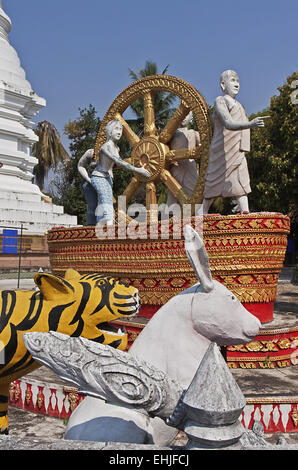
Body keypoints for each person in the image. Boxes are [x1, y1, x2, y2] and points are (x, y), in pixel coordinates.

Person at [199, 70, 267, 215]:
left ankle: (245, 212)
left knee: (241, 177)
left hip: (237, 149)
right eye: (232, 80)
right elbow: (228, 123)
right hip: (221, 150)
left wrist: (250, 124)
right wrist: (250, 124)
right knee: (213, 184)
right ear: (223, 85)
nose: (236, 84)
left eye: (238, 81)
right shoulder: (220, 101)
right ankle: (201, 212)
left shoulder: (240, 106)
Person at [78, 120, 150, 225]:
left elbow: (119, 162)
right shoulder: (107, 146)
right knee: (106, 203)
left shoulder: (117, 148)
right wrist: (138, 169)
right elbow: (119, 161)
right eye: (116, 129)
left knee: (106, 204)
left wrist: (138, 162)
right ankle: (107, 229)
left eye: (121, 129)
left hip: (108, 179)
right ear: (109, 131)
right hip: (99, 177)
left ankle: (101, 229)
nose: (119, 132)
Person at [166, 111, 200, 207]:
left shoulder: (193, 133)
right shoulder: (171, 134)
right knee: (174, 193)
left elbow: (204, 146)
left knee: (194, 192)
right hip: (177, 167)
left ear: (191, 118)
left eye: (187, 115)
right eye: (182, 115)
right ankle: (170, 216)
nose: (184, 118)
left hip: (190, 167)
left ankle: (194, 213)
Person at [77, 149, 97, 225]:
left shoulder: (113, 149)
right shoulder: (91, 152)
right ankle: (91, 228)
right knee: (93, 206)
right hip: (90, 183)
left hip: (104, 183)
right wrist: (89, 179)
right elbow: (80, 166)